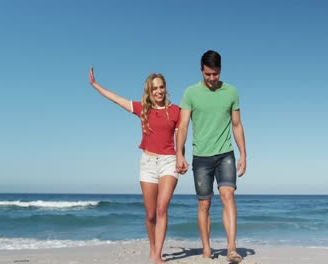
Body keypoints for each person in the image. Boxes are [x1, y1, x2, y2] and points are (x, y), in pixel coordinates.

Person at [89, 67, 180, 264]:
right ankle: (153, 248)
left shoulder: (175, 111)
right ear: (149, 90)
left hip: (168, 163)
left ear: (166, 88)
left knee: (162, 209)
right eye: (155, 88)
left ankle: (157, 256)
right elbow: (117, 99)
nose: (159, 91)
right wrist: (96, 85)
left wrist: (181, 157)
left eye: (161, 87)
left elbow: (182, 136)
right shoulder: (143, 109)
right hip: (147, 163)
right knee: (150, 214)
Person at [175, 50, 247, 263]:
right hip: (201, 156)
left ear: (220, 71)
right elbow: (183, 125)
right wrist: (179, 154)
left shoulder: (231, 92)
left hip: (226, 153)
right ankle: (206, 249)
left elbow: (236, 124)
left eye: (215, 74)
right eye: (208, 74)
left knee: (228, 196)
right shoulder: (190, 93)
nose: (212, 79)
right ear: (201, 70)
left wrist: (243, 153)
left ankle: (231, 249)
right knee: (204, 205)